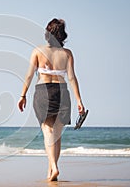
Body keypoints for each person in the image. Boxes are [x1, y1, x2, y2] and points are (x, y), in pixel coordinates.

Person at [18, 18, 85, 181]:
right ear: (62, 35)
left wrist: (22, 95)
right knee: (57, 135)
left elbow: (28, 75)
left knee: (47, 131)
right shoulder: (67, 54)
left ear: (47, 34)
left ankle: (54, 167)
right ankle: (50, 172)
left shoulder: (38, 51)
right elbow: (72, 78)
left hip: (43, 92)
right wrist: (79, 100)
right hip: (62, 93)